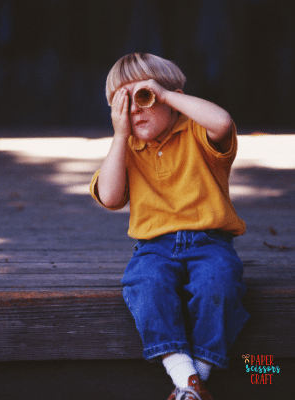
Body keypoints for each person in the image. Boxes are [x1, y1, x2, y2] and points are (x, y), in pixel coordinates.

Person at [90, 53, 250, 400]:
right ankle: (188, 377)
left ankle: (192, 382)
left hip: (211, 242)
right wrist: (119, 137)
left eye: (144, 97)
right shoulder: (127, 148)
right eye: (123, 102)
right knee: (146, 284)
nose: (135, 109)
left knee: (217, 285)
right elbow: (110, 195)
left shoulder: (198, 133)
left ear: (172, 97)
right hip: (154, 247)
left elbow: (222, 122)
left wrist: (164, 94)